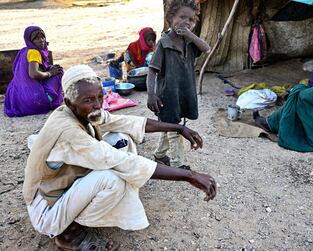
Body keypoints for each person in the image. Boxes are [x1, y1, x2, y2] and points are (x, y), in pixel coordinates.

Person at [23, 64, 217, 251]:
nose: (98, 105)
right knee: (113, 178)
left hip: (63, 187)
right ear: (69, 102)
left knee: (122, 138)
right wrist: (189, 175)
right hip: (47, 210)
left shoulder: (81, 112)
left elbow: (125, 122)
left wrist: (179, 127)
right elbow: (119, 161)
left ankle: (85, 209)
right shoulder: (67, 130)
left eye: (100, 96)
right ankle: (67, 232)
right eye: (89, 100)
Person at [147, 0, 210, 168]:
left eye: (190, 19)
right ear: (170, 19)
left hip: (183, 93)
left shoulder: (189, 42)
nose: (186, 22)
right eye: (182, 17)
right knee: (174, 128)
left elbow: (207, 48)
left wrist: (190, 35)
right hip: (167, 95)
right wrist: (151, 95)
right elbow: (152, 71)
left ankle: (159, 154)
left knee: (169, 125)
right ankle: (178, 163)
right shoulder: (164, 43)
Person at [4, 26, 63, 117]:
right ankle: (48, 99)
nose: (41, 40)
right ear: (30, 41)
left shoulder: (24, 51)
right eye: (36, 38)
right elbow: (33, 74)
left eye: (42, 37)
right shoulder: (34, 52)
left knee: (51, 68)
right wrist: (50, 73)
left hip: (17, 101)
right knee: (59, 72)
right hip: (35, 103)